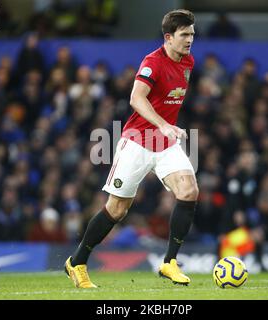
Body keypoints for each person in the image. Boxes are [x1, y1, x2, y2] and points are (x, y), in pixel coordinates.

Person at [64, 9, 198, 288]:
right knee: (117, 209)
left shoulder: (189, 62)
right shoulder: (152, 62)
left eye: (192, 34)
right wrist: (162, 124)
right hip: (138, 140)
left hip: (165, 142)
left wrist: (167, 129)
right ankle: (76, 262)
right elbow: (137, 99)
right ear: (168, 37)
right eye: (184, 35)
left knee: (189, 191)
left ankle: (169, 263)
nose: (190, 40)